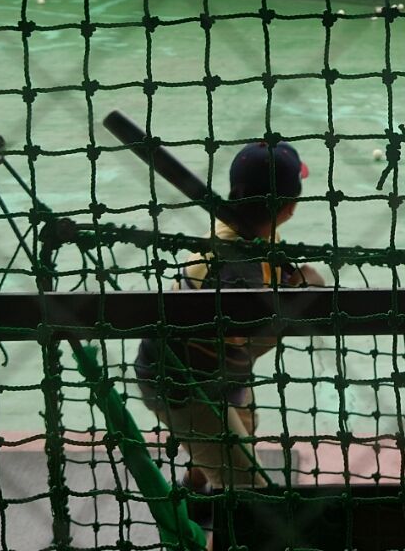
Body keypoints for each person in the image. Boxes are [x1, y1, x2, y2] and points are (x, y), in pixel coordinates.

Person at [134, 139, 324, 492]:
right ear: (289, 207)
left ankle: (192, 491)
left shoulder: (251, 236)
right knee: (245, 486)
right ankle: (201, 506)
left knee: (240, 434)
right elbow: (252, 337)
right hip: (182, 386)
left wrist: (291, 285)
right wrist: (300, 297)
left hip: (215, 372)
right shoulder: (235, 269)